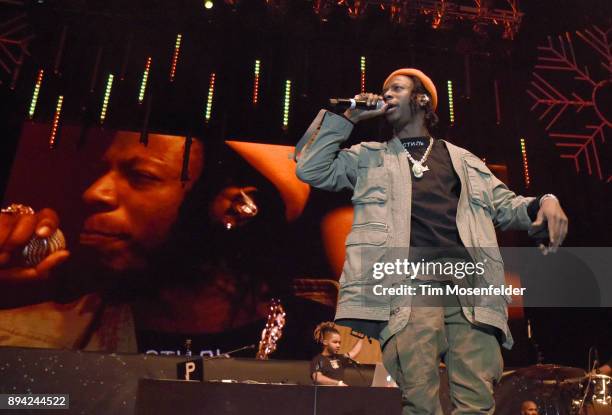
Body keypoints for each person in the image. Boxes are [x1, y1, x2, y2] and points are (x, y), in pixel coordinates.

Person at [295, 68, 568, 414]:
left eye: (396, 89)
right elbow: (310, 169)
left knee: (477, 402)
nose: (387, 95)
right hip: (409, 287)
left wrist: (546, 200)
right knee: (420, 401)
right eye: (384, 90)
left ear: (421, 100)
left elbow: (507, 205)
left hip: (470, 288)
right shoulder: (369, 156)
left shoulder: (464, 161)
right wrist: (346, 118)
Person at [310, 321, 364, 386]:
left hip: (339, 394)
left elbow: (354, 352)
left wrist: (361, 338)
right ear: (325, 342)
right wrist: (338, 383)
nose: (338, 345)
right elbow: (318, 378)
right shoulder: (318, 359)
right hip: (325, 395)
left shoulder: (340, 358)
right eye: (335, 342)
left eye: (339, 342)